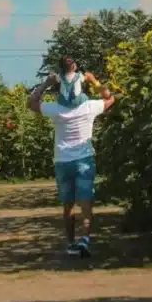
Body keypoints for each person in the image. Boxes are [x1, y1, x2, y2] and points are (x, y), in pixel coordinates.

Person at [28, 72, 116, 257]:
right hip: (83, 160)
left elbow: (32, 103)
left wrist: (46, 84)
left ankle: (70, 243)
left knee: (67, 206)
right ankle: (85, 240)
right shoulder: (90, 106)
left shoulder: (56, 109)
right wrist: (93, 80)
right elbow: (110, 98)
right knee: (86, 205)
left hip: (62, 161)